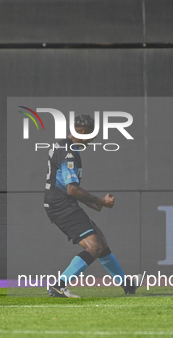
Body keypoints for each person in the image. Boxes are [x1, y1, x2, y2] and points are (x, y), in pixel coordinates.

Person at [44, 114, 139, 298]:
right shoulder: (68, 152)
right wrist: (100, 201)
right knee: (93, 247)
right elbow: (71, 189)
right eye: (92, 135)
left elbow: (67, 187)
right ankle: (58, 286)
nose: (93, 140)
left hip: (62, 202)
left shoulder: (63, 145)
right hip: (61, 205)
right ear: (84, 132)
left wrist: (92, 203)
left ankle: (128, 285)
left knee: (101, 243)